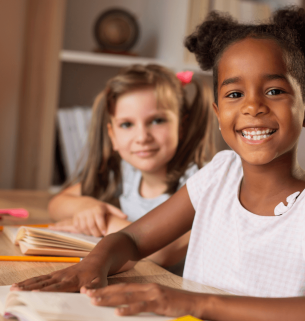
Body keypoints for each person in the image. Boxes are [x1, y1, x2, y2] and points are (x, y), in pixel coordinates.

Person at [13, 7, 305, 321]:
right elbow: (134, 240)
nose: (252, 106)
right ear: (218, 112)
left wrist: (196, 303)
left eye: (274, 91)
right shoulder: (219, 174)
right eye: (235, 94)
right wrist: (92, 265)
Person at [49, 64, 215, 269]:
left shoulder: (203, 180)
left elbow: (162, 252)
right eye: (127, 125)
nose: (142, 137)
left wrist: (103, 223)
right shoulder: (126, 174)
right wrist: (87, 208)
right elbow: (57, 204)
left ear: (181, 126)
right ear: (113, 136)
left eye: (157, 120)